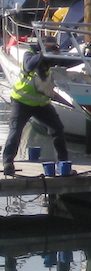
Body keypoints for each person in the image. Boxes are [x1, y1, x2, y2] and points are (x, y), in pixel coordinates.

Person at [2, 43, 69, 176]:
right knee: (15, 131)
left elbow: (67, 61)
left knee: (57, 129)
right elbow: (28, 65)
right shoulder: (29, 55)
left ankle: (63, 163)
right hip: (21, 102)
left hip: (41, 105)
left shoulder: (50, 61)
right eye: (52, 51)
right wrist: (43, 54)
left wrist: (87, 55)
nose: (54, 55)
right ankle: (8, 162)